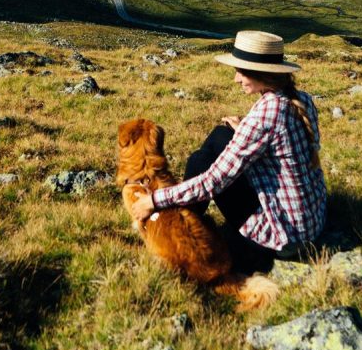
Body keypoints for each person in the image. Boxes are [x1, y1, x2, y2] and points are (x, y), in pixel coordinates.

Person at [128, 29, 327, 272]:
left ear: (261, 73)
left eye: (241, 71)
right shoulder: (300, 99)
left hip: (284, 237)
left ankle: (179, 234)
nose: (236, 79)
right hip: (309, 222)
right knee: (221, 135)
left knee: (201, 161)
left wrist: (153, 200)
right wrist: (242, 129)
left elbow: (211, 183)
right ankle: (184, 220)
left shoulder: (266, 115)